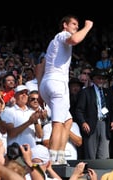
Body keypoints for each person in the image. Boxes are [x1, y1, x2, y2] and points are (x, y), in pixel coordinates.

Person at [36, 15, 93, 165]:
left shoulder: (52, 42)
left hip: (46, 83)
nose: (76, 27)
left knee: (68, 121)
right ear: (65, 25)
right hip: (57, 83)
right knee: (58, 123)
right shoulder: (63, 35)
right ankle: (54, 159)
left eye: (78, 24)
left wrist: (40, 90)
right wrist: (87, 27)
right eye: (74, 24)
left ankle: (59, 155)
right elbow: (75, 39)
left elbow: (40, 67)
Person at [75, 68, 113, 159]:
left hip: (105, 124)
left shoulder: (108, 92)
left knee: (104, 154)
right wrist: (83, 122)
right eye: (98, 78)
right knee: (91, 154)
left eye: (103, 78)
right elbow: (79, 110)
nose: (101, 80)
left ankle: (103, 172)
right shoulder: (86, 92)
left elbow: (111, 109)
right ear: (93, 79)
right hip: (91, 124)